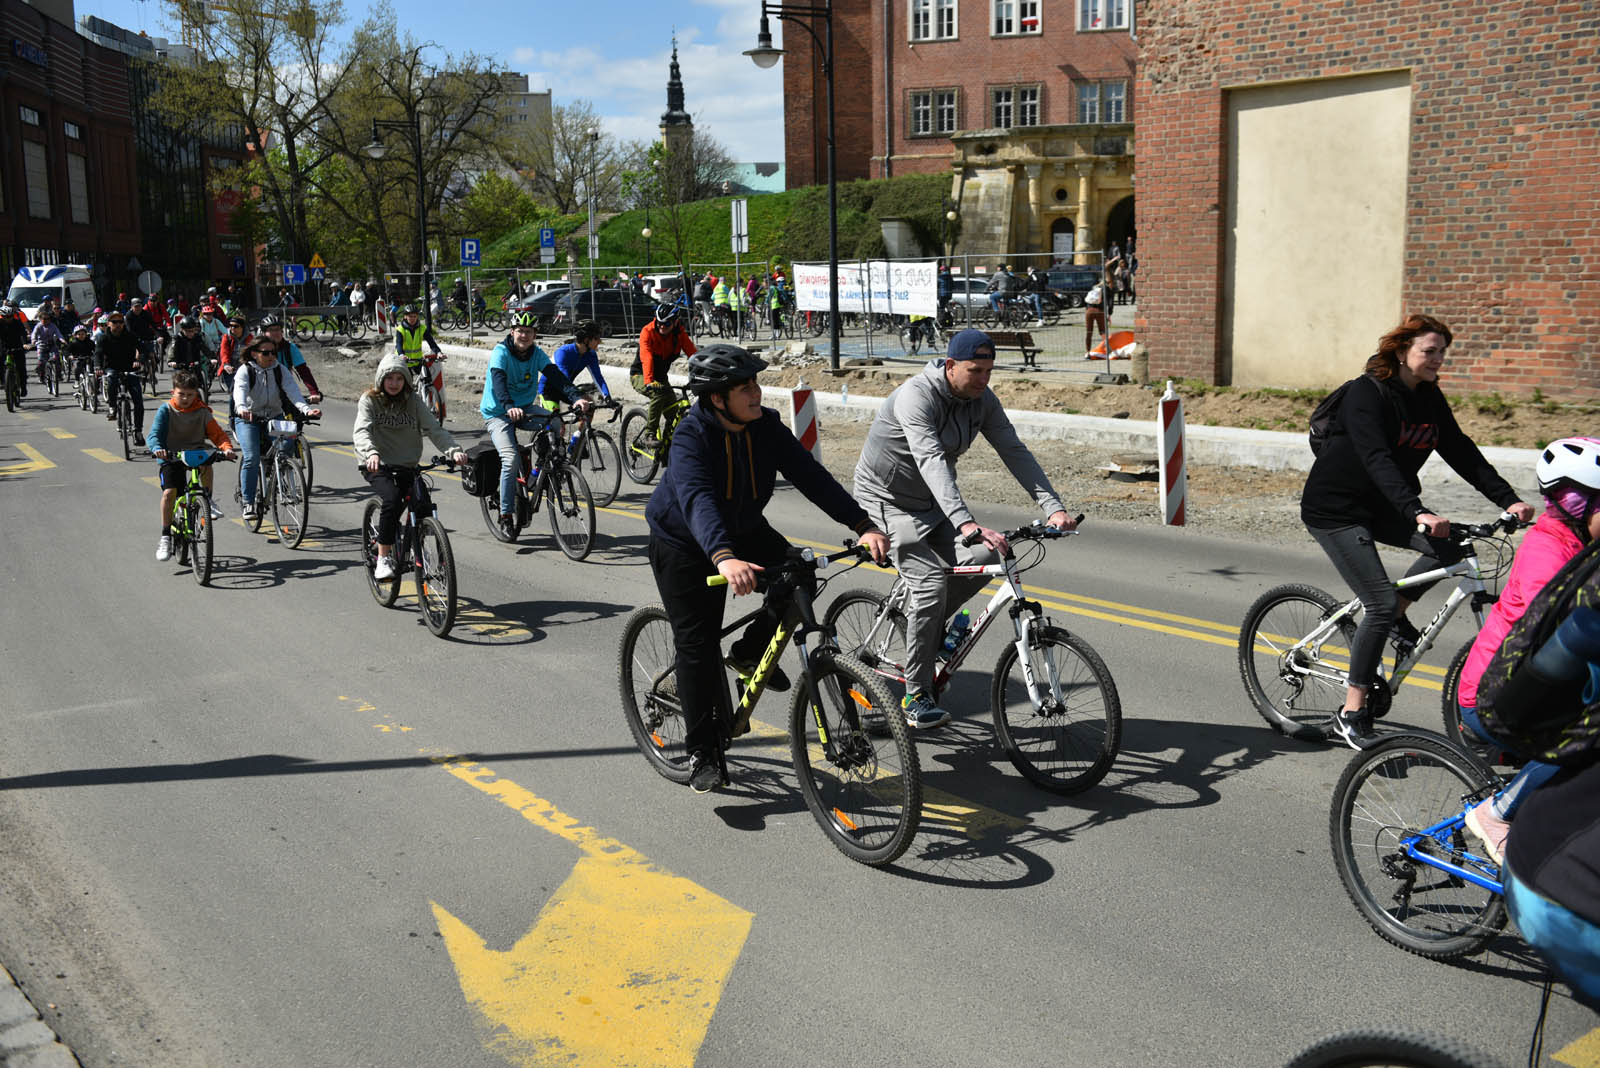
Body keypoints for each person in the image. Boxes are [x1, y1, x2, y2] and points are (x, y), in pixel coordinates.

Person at [645, 343, 891, 792]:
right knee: (696, 645)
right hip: (683, 542)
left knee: (800, 574)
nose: (757, 393)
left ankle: (748, 651)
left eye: (756, 383)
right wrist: (724, 557)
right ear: (717, 398)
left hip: (742, 530)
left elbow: (811, 477)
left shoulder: (766, 428)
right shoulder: (690, 437)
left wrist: (863, 524)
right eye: (745, 388)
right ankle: (703, 751)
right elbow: (698, 500)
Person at [1300, 314, 1535, 749]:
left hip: (1387, 505)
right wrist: (1417, 510)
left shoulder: (1428, 396)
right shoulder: (1365, 394)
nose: (1438, 360)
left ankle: (1397, 615)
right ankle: (1352, 710)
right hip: (1337, 509)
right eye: (1430, 351)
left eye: (1443, 352)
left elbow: (1460, 449)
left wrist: (1507, 499)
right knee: (1378, 600)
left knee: (1456, 545)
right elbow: (1375, 458)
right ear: (1402, 352)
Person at [853, 329, 1074, 728]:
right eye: (975, 370)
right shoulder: (915, 397)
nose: (984, 380)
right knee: (930, 585)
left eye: (989, 371)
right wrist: (966, 522)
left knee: (990, 553)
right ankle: (916, 694)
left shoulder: (982, 400)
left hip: (932, 504)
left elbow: (1014, 450)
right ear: (950, 366)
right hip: (886, 502)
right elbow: (931, 459)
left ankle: (929, 628)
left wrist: (1053, 507)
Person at [1452, 437, 1600, 862]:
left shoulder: (1584, 546)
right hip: (1497, 693)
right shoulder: (1546, 552)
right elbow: (1562, 628)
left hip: (1541, 686)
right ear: (1577, 504)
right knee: (1588, 740)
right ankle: (1494, 814)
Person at [353, 354, 466, 580]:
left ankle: (420, 543)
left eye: (399, 378)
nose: (394, 383)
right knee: (392, 499)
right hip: (377, 463)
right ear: (381, 379)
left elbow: (434, 429)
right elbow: (362, 431)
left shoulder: (413, 401)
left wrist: (453, 451)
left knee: (422, 505)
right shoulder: (369, 400)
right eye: (389, 378)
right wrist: (371, 453)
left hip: (406, 463)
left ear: (406, 380)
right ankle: (383, 558)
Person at [479, 310, 591, 535]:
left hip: (525, 408)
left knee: (557, 423)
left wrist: (575, 397)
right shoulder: (500, 352)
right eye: (520, 331)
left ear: (534, 334)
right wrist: (509, 407)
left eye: (528, 332)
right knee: (509, 459)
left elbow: (556, 377)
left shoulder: (536, 353)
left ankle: (541, 471)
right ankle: (505, 514)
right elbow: (499, 382)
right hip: (499, 412)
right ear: (512, 332)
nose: (524, 335)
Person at [147, 369, 235, 561]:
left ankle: (207, 500)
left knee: (208, 461)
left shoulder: (202, 411)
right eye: (181, 394)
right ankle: (165, 536)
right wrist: (157, 448)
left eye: (190, 394)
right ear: (173, 392)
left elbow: (217, 434)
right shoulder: (166, 410)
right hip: (171, 455)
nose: (186, 398)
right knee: (170, 493)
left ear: (197, 394)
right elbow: (154, 434)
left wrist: (226, 448)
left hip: (195, 451)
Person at [233, 336, 320, 520]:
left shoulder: (279, 370)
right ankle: (248, 502)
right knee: (251, 457)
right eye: (266, 353)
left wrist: (306, 410)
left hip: (274, 416)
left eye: (274, 352)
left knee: (286, 450)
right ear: (255, 354)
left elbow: (293, 392)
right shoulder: (245, 370)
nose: (271, 356)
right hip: (249, 418)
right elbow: (239, 391)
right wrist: (241, 408)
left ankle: (281, 480)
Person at [632, 304, 697, 442]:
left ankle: (665, 453)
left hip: (661, 378)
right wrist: (649, 381)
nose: (661, 326)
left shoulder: (679, 334)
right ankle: (649, 434)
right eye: (659, 322)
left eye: (666, 323)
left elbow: (693, 355)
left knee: (674, 417)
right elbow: (646, 357)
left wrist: (702, 375)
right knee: (658, 394)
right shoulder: (647, 331)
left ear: (675, 322)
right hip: (641, 375)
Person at [96, 310, 146, 435]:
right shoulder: (104, 338)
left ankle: (138, 431)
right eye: (114, 322)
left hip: (130, 369)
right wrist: (97, 366)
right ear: (108, 324)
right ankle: (112, 407)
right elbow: (98, 353)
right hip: (112, 368)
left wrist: (138, 360)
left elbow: (142, 350)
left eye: (120, 322)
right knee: (112, 378)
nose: (118, 324)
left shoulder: (130, 336)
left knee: (138, 402)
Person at [542, 319, 612, 404]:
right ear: (586, 340)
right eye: (596, 338)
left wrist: (607, 397)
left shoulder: (591, 355)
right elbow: (564, 379)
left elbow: (598, 378)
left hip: (568, 388)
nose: (599, 341)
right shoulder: (563, 352)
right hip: (548, 390)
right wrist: (577, 398)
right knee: (554, 416)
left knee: (589, 404)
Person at [393, 303, 445, 418]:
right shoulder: (400, 329)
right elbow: (399, 345)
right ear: (405, 316)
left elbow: (432, 343)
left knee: (427, 380)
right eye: (410, 316)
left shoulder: (422, 328)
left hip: (417, 360)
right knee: (405, 386)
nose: (413, 319)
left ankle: (429, 403)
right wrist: (401, 355)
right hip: (403, 361)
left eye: (415, 316)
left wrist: (439, 353)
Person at [256, 315, 323, 403]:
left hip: (285, 390)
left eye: (277, 329)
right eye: (271, 330)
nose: (275, 333)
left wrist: (314, 392)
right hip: (262, 393)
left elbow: (303, 371)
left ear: (282, 331)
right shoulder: (256, 350)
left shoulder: (290, 348)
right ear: (263, 333)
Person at [0, 303, 29, 396]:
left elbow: (23, 334)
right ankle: (4, 381)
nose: (9, 318)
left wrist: (24, 344)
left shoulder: (17, 322)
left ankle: (23, 387)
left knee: (21, 367)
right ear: (3, 316)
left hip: (17, 346)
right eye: (6, 317)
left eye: (10, 316)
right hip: (3, 346)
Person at [30, 310, 62, 385]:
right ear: (40, 319)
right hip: (41, 345)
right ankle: (41, 375)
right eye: (44, 319)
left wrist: (62, 340)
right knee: (41, 362)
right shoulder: (38, 326)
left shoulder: (53, 325)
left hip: (52, 345)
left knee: (57, 358)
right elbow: (34, 334)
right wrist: (33, 341)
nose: (46, 320)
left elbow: (58, 334)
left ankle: (58, 374)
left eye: (48, 319)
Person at [1083, 272, 1109, 355]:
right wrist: (1108, 314)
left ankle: (1088, 352)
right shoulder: (1104, 289)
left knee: (1089, 332)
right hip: (1099, 310)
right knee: (1102, 331)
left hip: (1089, 310)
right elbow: (1106, 302)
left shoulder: (1093, 287)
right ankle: (1107, 348)